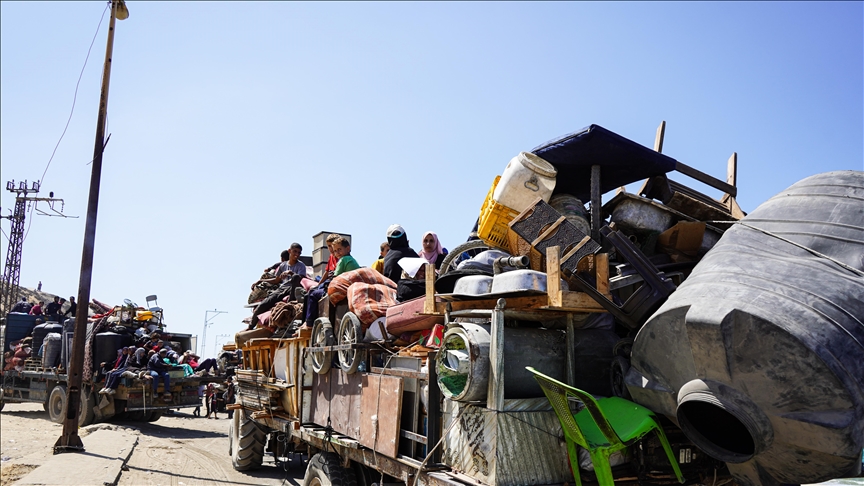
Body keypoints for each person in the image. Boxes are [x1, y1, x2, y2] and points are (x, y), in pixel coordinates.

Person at [248, 244, 307, 329]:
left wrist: (290, 273)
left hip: (293, 288)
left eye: (299, 253)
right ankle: (250, 326)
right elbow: (276, 280)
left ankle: (290, 305)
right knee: (263, 305)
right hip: (282, 289)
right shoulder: (283, 265)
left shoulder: (301, 266)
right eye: (295, 251)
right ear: (289, 251)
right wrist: (261, 280)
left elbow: (301, 279)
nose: (297, 254)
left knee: (295, 278)